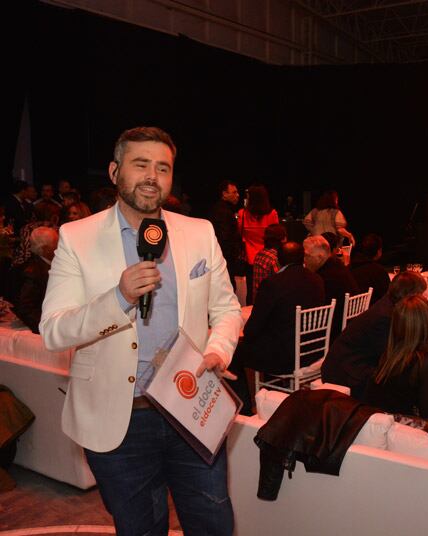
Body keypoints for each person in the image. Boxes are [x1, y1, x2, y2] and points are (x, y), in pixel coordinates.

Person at [40, 126, 242, 535]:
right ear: (115, 172)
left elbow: (226, 310)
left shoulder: (199, 232)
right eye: (141, 164)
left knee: (214, 525)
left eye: (163, 167)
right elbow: (54, 331)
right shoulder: (76, 237)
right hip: (121, 421)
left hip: (191, 408)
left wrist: (218, 351)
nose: (153, 175)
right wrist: (118, 298)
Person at [227, 241, 325, 413]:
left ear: (277, 261)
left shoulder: (273, 283)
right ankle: (275, 395)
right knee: (270, 339)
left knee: (233, 352)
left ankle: (244, 410)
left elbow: (252, 329)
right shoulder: (316, 279)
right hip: (313, 350)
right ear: (303, 257)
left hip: (286, 357)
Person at [360, 295, 428, 439]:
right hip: (400, 433)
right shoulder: (425, 363)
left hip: (375, 425)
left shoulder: (390, 355)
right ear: (426, 326)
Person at [321, 271, 427, 398]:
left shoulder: (389, 305)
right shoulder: (385, 317)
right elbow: (390, 356)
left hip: (356, 364)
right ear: (409, 294)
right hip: (347, 372)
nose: (423, 298)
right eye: (420, 294)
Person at [304, 234, 359, 341]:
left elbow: (314, 314)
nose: (304, 260)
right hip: (349, 327)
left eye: (307, 256)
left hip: (333, 333)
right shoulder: (338, 266)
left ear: (319, 258)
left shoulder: (323, 278)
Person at [8, 226, 58, 333]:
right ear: (46, 249)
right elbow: (26, 308)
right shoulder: (33, 272)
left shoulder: (49, 264)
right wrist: (48, 329)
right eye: (57, 242)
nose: (60, 245)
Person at [238, 184, 279, 305]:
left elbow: (240, 233)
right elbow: (276, 235)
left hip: (250, 258)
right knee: (270, 289)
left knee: (251, 291)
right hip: (268, 258)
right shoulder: (272, 214)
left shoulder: (243, 214)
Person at [209, 180, 241, 287]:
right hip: (225, 258)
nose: (238, 195)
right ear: (224, 194)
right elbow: (224, 237)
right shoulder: (223, 211)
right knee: (228, 285)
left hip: (224, 257)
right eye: (234, 192)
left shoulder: (223, 209)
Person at [349, 233, 390, 304]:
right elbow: (388, 295)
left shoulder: (350, 266)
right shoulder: (378, 271)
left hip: (353, 308)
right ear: (378, 251)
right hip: (372, 309)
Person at [252, 223, 287, 297]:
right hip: (271, 301)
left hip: (258, 299)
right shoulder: (275, 258)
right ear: (282, 239)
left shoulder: (259, 254)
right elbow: (281, 283)